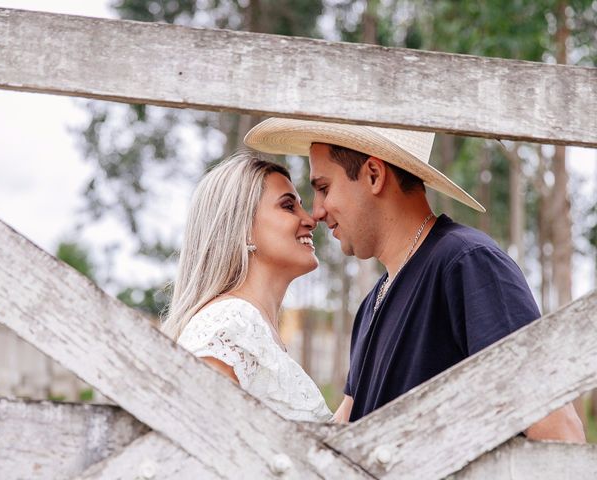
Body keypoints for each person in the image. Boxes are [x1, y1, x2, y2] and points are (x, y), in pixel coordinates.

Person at [244, 118, 585, 441]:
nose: (316, 211)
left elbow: (556, 430)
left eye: (323, 187)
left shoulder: (467, 263)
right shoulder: (370, 305)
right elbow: (343, 439)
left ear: (374, 175)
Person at [162, 151, 332, 422]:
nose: (310, 219)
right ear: (242, 227)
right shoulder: (230, 322)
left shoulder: (254, 329)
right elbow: (195, 434)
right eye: (288, 206)